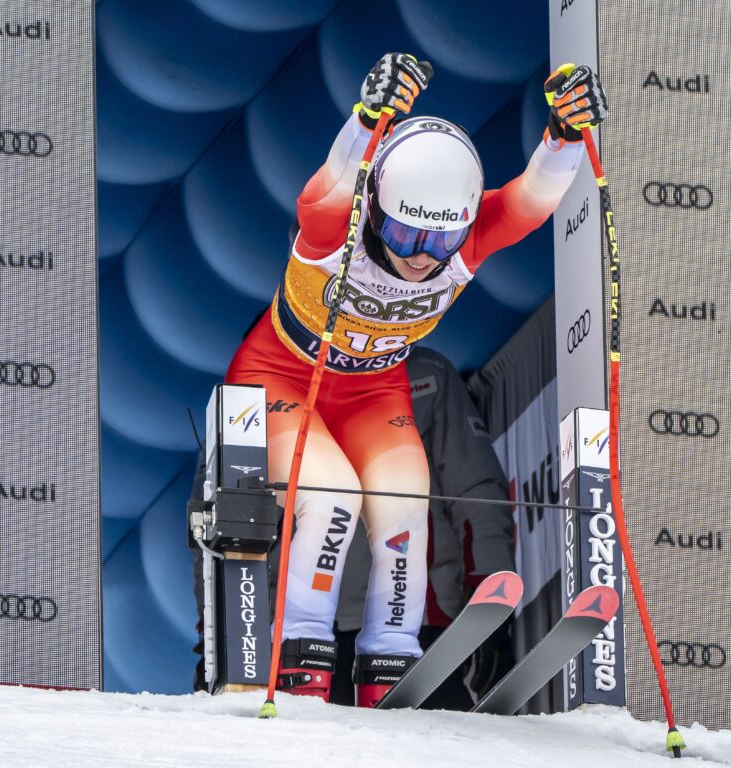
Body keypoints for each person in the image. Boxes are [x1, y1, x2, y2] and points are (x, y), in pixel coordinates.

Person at [224, 52, 606, 707]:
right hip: (287, 375)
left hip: (375, 387)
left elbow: (530, 202)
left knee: (405, 501)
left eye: (440, 241)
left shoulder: (464, 242)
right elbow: (333, 178)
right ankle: (304, 651)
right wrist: (368, 120)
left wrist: (564, 137)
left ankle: (391, 655)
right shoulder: (331, 225)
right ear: (375, 208)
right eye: (404, 232)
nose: (419, 257)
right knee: (334, 495)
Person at [329, 346, 515, 710]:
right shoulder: (280, 381)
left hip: (424, 622)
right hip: (323, 633)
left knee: (444, 747)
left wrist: (489, 601)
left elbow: (476, 490)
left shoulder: (426, 370)